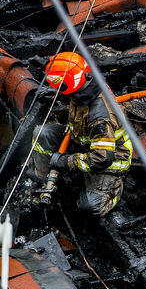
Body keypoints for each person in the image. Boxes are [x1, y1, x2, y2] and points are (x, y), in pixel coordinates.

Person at [33, 52, 132, 217]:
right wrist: (57, 98)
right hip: (83, 142)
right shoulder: (83, 88)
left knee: (90, 207)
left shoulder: (99, 117)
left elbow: (102, 158)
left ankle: (114, 192)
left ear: (68, 84)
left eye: (59, 86)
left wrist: (66, 162)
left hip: (110, 162)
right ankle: (41, 181)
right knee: (42, 133)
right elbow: (78, 115)